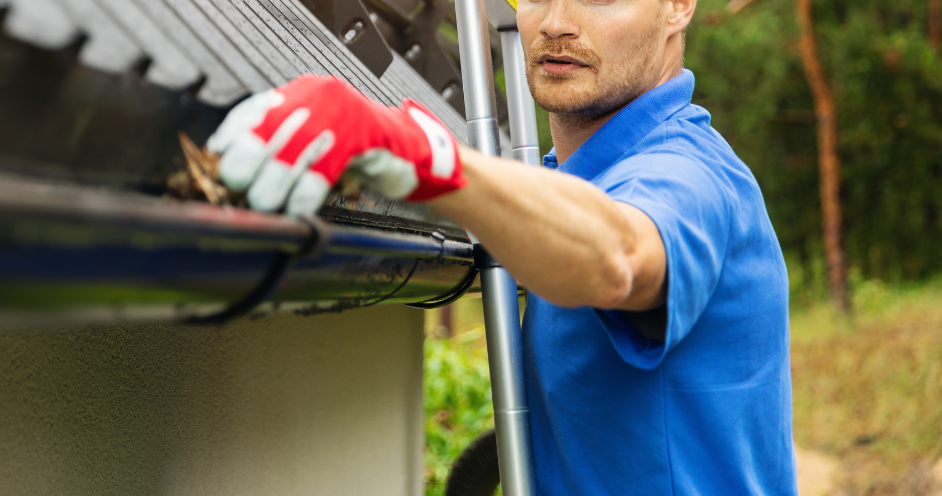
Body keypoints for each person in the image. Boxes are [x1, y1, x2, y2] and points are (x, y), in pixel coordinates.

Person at [206, 0, 795, 493]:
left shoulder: (690, 176)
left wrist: (429, 161)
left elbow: (619, 255)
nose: (556, 21)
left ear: (677, 7)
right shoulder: (572, 180)